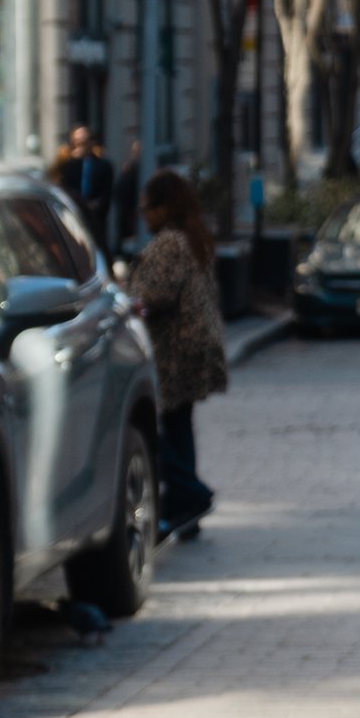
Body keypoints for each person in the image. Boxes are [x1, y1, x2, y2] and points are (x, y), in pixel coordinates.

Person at [130, 170, 228, 537]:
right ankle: (185, 511)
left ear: (163, 207)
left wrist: (129, 301)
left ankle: (193, 494)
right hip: (195, 345)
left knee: (158, 433)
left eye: (147, 208)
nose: (143, 216)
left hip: (175, 348)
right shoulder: (194, 237)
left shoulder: (169, 243)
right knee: (178, 426)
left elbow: (153, 294)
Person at [54, 125, 114, 257]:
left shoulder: (104, 166)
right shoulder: (69, 166)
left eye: (84, 143)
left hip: (96, 219)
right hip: (75, 216)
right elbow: (64, 189)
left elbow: (106, 194)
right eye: (77, 144)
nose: (80, 147)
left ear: (91, 143)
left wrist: (93, 206)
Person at [113, 139, 142, 258]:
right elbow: (119, 192)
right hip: (128, 216)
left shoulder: (141, 170)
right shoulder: (128, 170)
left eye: (138, 151)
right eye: (134, 151)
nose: (135, 154)